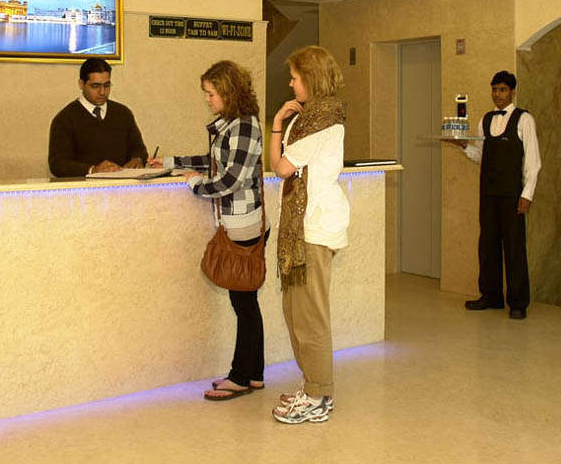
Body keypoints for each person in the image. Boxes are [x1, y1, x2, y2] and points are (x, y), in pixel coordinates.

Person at [149, 60, 269, 401]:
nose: (207, 99)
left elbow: (230, 181)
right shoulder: (231, 124)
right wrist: (171, 163)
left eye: (211, 93)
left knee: (243, 303)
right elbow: (213, 160)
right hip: (239, 222)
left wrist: (195, 185)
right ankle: (254, 374)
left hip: (244, 224)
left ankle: (240, 377)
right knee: (246, 302)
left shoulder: (243, 126)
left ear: (229, 93)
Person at [268, 45, 349, 424]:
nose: (290, 84)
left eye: (295, 78)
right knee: (294, 312)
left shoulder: (323, 120)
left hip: (314, 229)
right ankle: (312, 385)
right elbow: (279, 164)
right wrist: (277, 123)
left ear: (311, 79)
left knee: (310, 317)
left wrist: (279, 126)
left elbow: (283, 168)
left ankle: (319, 394)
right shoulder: (307, 119)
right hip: (301, 231)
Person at [445, 70, 541, 320]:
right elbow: (481, 155)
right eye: (495, 90)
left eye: (502, 90)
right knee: (487, 245)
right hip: (488, 193)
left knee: (514, 247)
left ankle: (518, 302)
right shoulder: (485, 120)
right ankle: (491, 296)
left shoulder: (524, 120)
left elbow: (533, 161)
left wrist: (527, 194)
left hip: (512, 194)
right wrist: (463, 145)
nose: (497, 95)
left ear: (512, 92)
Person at [47, 58, 148, 177]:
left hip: (122, 184)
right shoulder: (64, 119)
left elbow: (139, 148)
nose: (102, 92)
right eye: (95, 86)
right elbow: (58, 164)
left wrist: (137, 159)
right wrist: (92, 170)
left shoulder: (123, 113)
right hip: (84, 187)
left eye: (107, 85)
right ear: (81, 84)